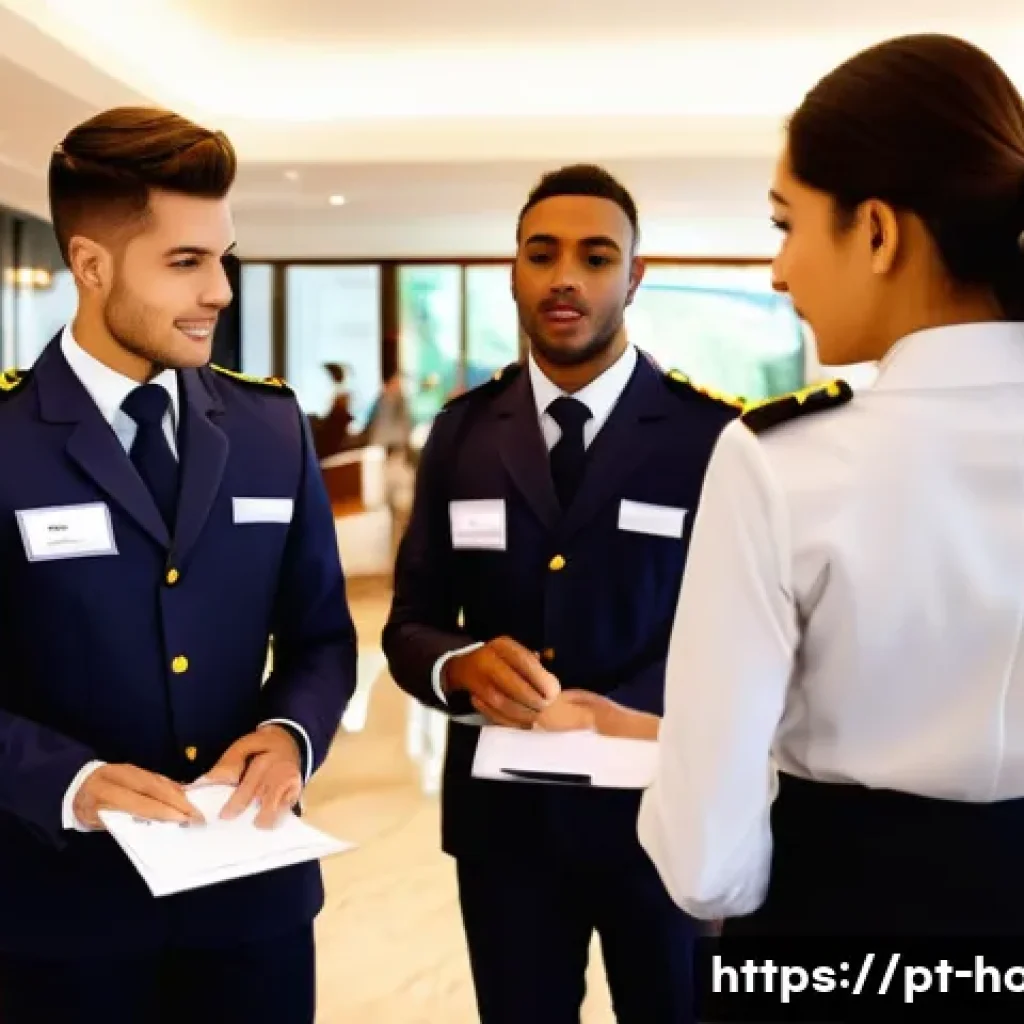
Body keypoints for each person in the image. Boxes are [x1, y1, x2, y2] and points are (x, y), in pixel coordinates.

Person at [550, 34, 1024, 941]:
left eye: (786, 224)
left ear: (877, 230)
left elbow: (706, 859)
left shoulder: (786, 459)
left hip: (844, 930)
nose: (778, 271)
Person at [0, 107, 357, 1023]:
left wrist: (291, 735)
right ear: (91, 264)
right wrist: (67, 783)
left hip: (255, 911)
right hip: (57, 914)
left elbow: (321, 637)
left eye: (223, 258)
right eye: (186, 263)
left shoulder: (270, 427)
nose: (222, 293)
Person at [382, 164, 741, 1023]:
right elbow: (408, 627)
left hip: (663, 819)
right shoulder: (462, 434)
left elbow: (742, 636)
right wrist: (459, 665)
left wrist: (637, 715)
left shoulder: (712, 437)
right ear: (514, 272)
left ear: (634, 276)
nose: (566, 277)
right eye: (542, 255)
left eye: (595, 255)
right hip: (507, 833)